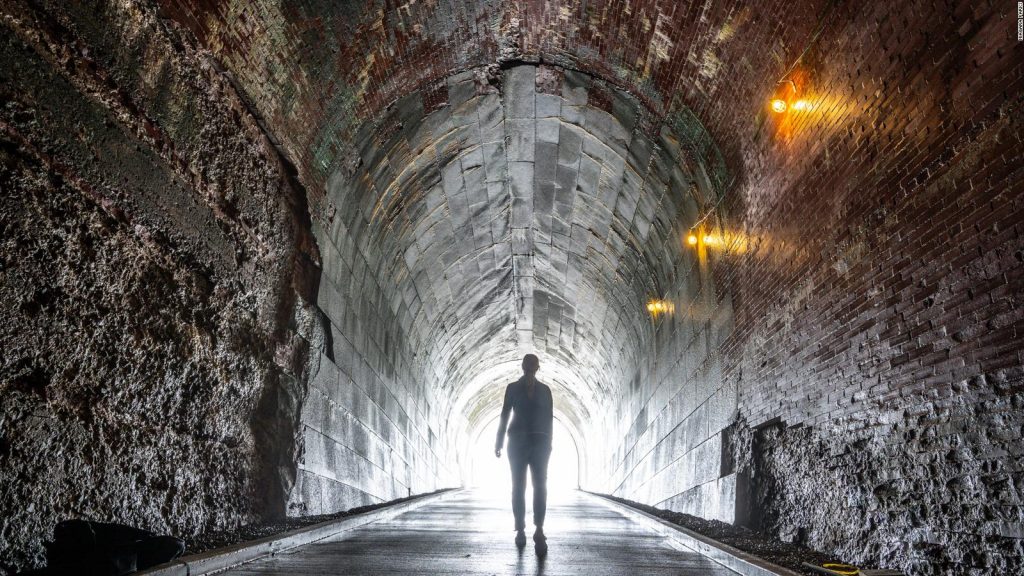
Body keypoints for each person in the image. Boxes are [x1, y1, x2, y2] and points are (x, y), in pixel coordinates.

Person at [494, 354, 553, 554]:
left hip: (539, 444)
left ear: (537, 368)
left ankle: (539, 529)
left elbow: (549, 419)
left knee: (540, 486)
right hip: (517, 444)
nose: (529, 370)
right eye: (527, 366)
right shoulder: (512, 388)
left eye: (532, 366)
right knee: (518, 486)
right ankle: (520, 529)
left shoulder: (545, 391)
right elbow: (505, 414)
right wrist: (499, 441)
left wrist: (549, 444)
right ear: (522, 367)